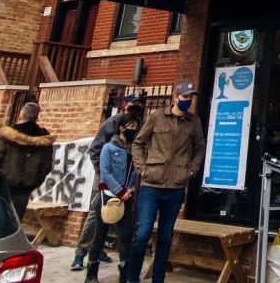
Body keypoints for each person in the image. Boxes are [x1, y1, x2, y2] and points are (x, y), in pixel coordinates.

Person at [124, 81, 205, 283]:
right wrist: (142, 168)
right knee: (142, 234)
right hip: (151, 184)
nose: (188, 101)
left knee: (165, 237)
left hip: (176, 187)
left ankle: (157, 278)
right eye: (185, 97)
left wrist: (191, 170)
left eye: (191, 98)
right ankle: (131, 277)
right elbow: (138, 144)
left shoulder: (193, 122)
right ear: (175, 97)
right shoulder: (156, 117)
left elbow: (199, 149)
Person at [72, 93, 145, 271]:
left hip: (126, 178)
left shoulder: (139, 125)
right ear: (124, 104)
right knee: (98, 212)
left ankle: (99, 250)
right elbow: (95, 149)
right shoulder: (113, 122)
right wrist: (102, 173)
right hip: (107, 175)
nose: (136, 106)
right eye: (132, 103)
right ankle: (81, 253)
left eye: (138, 103)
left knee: (118, 213)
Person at [86, 114, 139, 283]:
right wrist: (119, 191)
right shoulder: (108, 148)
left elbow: (134, 172)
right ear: (122, 128)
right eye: (130, 126)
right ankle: (91, 272)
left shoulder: (133, 150)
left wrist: (129, 189)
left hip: (126, 197)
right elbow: (105, 172)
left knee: (125, 235)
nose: (133, 130)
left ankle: (124, 271)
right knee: (99, 235)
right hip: (108, 196)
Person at [0, 102, 56, 219]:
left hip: (2, 185)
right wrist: (33, 183)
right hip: (24, 189)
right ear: (37, 117)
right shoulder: (44, 140)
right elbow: (46, 167)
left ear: (21, 115)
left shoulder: (7, 135)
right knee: (15, 222)